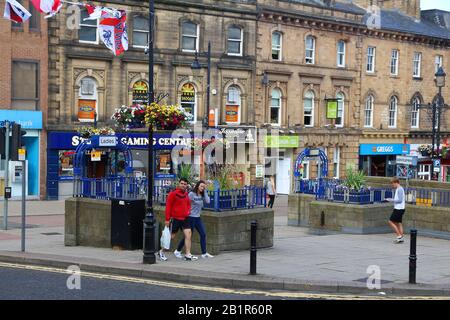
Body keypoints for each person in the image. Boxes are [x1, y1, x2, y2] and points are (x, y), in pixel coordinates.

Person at [158, 178, 198, 261]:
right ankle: (161, 252)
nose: (183, 185)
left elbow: (188, 204)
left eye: (185, 184)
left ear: (187, 185)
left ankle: (188, 254)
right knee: (170, 237)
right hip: (175, 218)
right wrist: (167, 219)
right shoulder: (172, 194)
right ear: (179, 184)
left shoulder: (186, 194)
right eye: (182, 183)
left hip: (185, 218)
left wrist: (187, 211)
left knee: (188, 235)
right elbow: (168, 207)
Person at [174, 180, 214, 259]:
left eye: (204, 187)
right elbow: (185, 202)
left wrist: (205, 191)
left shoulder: (202, 195)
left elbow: (208, 201)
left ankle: (204, 253)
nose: (202, 188)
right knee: (188, 236)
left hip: (198, 218)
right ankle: (177, 251)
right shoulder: (192, 194)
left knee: (203, 234)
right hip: (190, 217)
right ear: (197, 186)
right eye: (201, 186)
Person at [385, 177, 406, 243]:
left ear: (396, 183)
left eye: (393, 184)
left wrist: (390, 200)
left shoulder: (399, 189)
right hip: (401, 208)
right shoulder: (400, 189)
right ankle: (401, 237)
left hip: (398, 208)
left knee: (390, 221)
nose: (392, 185)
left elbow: (399, 200)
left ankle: (399, 236)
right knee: (399, 223)